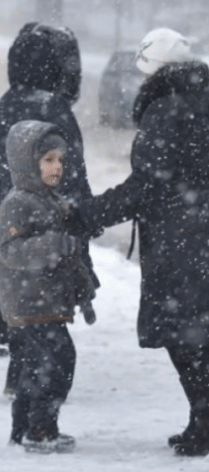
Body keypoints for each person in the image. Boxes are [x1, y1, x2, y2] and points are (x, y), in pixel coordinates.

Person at [88, 28, 209, 457]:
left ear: (153, 72)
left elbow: (148, 185)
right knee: (201, 332)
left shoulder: (165, 111)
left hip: (187, 237)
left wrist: (91, 214)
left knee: (185, 333)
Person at [0, 23, 97, 413]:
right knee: (42, 309)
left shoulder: (5, 103)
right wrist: (83, 216)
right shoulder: (53, 110)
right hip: (44, 218)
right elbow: (71, 169)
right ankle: (35, 405)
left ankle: (22, 386)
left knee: (19, 297)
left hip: (11, 216)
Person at [0, 120, 96, 453]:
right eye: (48, 159)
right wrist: (52, 244)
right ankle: (39, 429)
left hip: (48, 303)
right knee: (54, 364)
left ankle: (25, 428)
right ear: (28, 162)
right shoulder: (17, 203)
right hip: (28, 304)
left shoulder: (49, 200)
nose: (57, 167)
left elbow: (67, 257)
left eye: (61, 160)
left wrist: (83, 285)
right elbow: (9, 251)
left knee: (38, 367)